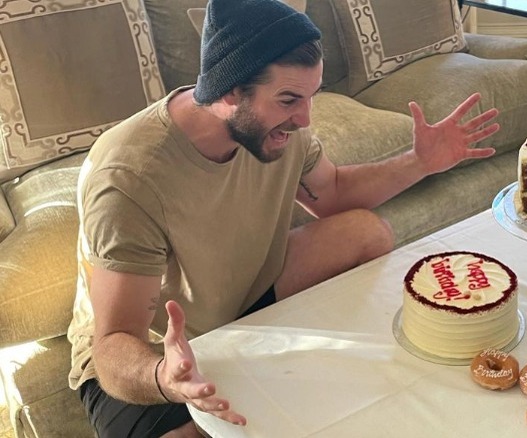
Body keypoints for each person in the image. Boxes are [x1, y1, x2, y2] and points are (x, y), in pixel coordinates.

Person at [67, 0, 500, 436]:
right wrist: (164, 377)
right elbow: (113, 345)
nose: (305, 118)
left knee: (364, 232)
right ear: (229, 90)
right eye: (290, 99)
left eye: (310, 96)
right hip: (158, 352)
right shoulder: (129, 176)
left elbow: (332, 194)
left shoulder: (278, 129)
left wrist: (420, 162)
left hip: (243, 291)